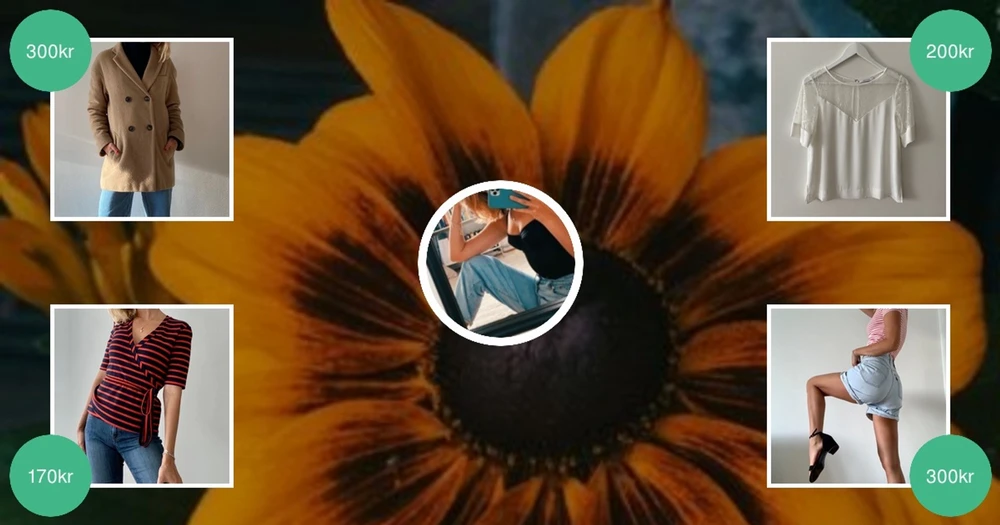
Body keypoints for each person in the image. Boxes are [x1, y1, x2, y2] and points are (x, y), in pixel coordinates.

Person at [76, 309, 192, 484]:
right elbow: (103, 373)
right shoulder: (121, 321)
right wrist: (82, 423)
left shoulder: (179, 330)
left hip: (138, 435)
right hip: (97, 427)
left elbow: (172, 392)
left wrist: (168, 456)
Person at [805, 308, 908, 483]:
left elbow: (892, 341)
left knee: (813, 384)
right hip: (892, 383)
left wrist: (857, 351)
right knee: (891, 466)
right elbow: (871, 309)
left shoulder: (892, 303)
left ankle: (816, 441)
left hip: (876, 370)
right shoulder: (892, 308)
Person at [446, 191, 575, 327]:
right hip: (541, 288)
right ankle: (456, 328)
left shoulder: (543, 203)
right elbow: (458, 254)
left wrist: (548, 216)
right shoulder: (508, 217)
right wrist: (456, 205)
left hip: (567, 293)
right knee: (474, 266)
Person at [88, 42, 185, 217]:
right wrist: (105, 143)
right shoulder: (105, 60)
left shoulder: (164, 61)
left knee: (159, 224)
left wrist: (175, 137)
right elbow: (96, 109)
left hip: (158, 153)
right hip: (121, 154)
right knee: (108, 221)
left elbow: (172, 106)